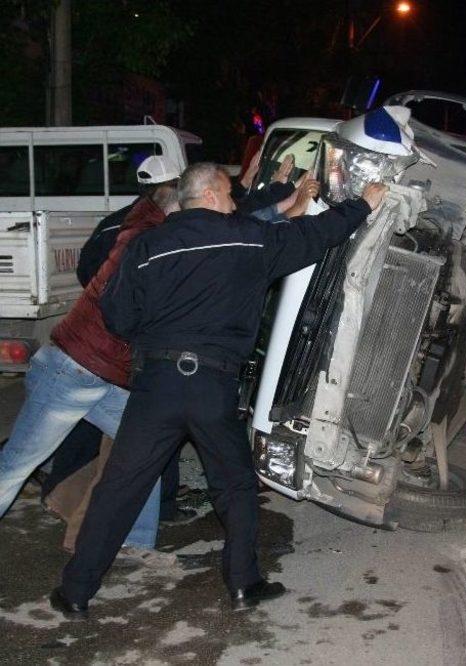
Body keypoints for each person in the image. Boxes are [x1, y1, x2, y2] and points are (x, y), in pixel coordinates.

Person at [51, 162, 388, 618]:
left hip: (155, 386)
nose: (233, 203)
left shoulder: (146, 245)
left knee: (119, 489)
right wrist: (363, 204)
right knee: (234, 486)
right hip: (213, 385)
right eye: (230, 195)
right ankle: (244, 584)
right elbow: (315, 234)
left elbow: (117, 315)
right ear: (210, 194)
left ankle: (75, 591)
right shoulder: (248, 237)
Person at [0, 157, 181, 548]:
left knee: (145, 449)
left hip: (100, 374)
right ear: (174, 197)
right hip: (72, 371)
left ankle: (134, 543)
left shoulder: (140, 223)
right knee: (15, 466)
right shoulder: (146, 239)